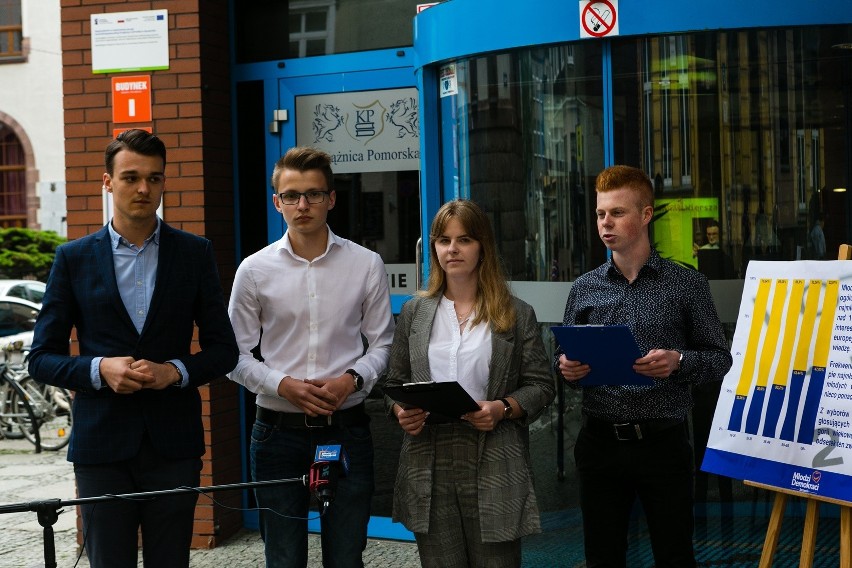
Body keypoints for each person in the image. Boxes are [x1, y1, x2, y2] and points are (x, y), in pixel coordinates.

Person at [28, 129, 239, 568]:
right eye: (130, 177)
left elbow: (224, 350)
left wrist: (174, 372)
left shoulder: (194, 254)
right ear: (108, 182)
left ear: (163, 182)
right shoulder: (74, 258)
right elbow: (41, 358)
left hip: (173, 444)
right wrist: (99, 368)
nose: (143, 188)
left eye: (154, 178)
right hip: (102, 445)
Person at [556, 165, 732, 568]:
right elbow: (562, 361)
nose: (606, 222)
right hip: (599, 445)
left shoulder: (686, 284)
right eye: (601, 213)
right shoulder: (584, 288)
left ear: (646, 215)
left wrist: (679, 361)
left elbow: (720, 358)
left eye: (617, 212)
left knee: (674, 556)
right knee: (602, 558)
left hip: (663, 446)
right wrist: (566, 368)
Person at [228, 146, 395, 568]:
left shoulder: (365, 264)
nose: (302, 205)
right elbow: (233, 355)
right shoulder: (253, 270)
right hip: (277, 434)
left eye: (314, 194)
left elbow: (384, 345)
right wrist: (282, 385)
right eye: (291, 195)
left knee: (346, 557)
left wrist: (351, 381)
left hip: (347, 428)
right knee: (283, 559)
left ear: (331, 198)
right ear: (276, 201)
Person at [384, 199, 555, 568]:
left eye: (464, 240)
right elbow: (393, 380)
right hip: (427, 456)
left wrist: (503, 408)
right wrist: (401, 410)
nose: (453, 249)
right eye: (444, 240)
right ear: (434, 248)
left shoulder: (515, 312)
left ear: (483, 248)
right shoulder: (415, 311)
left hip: (493, 453)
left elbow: (542, 385)